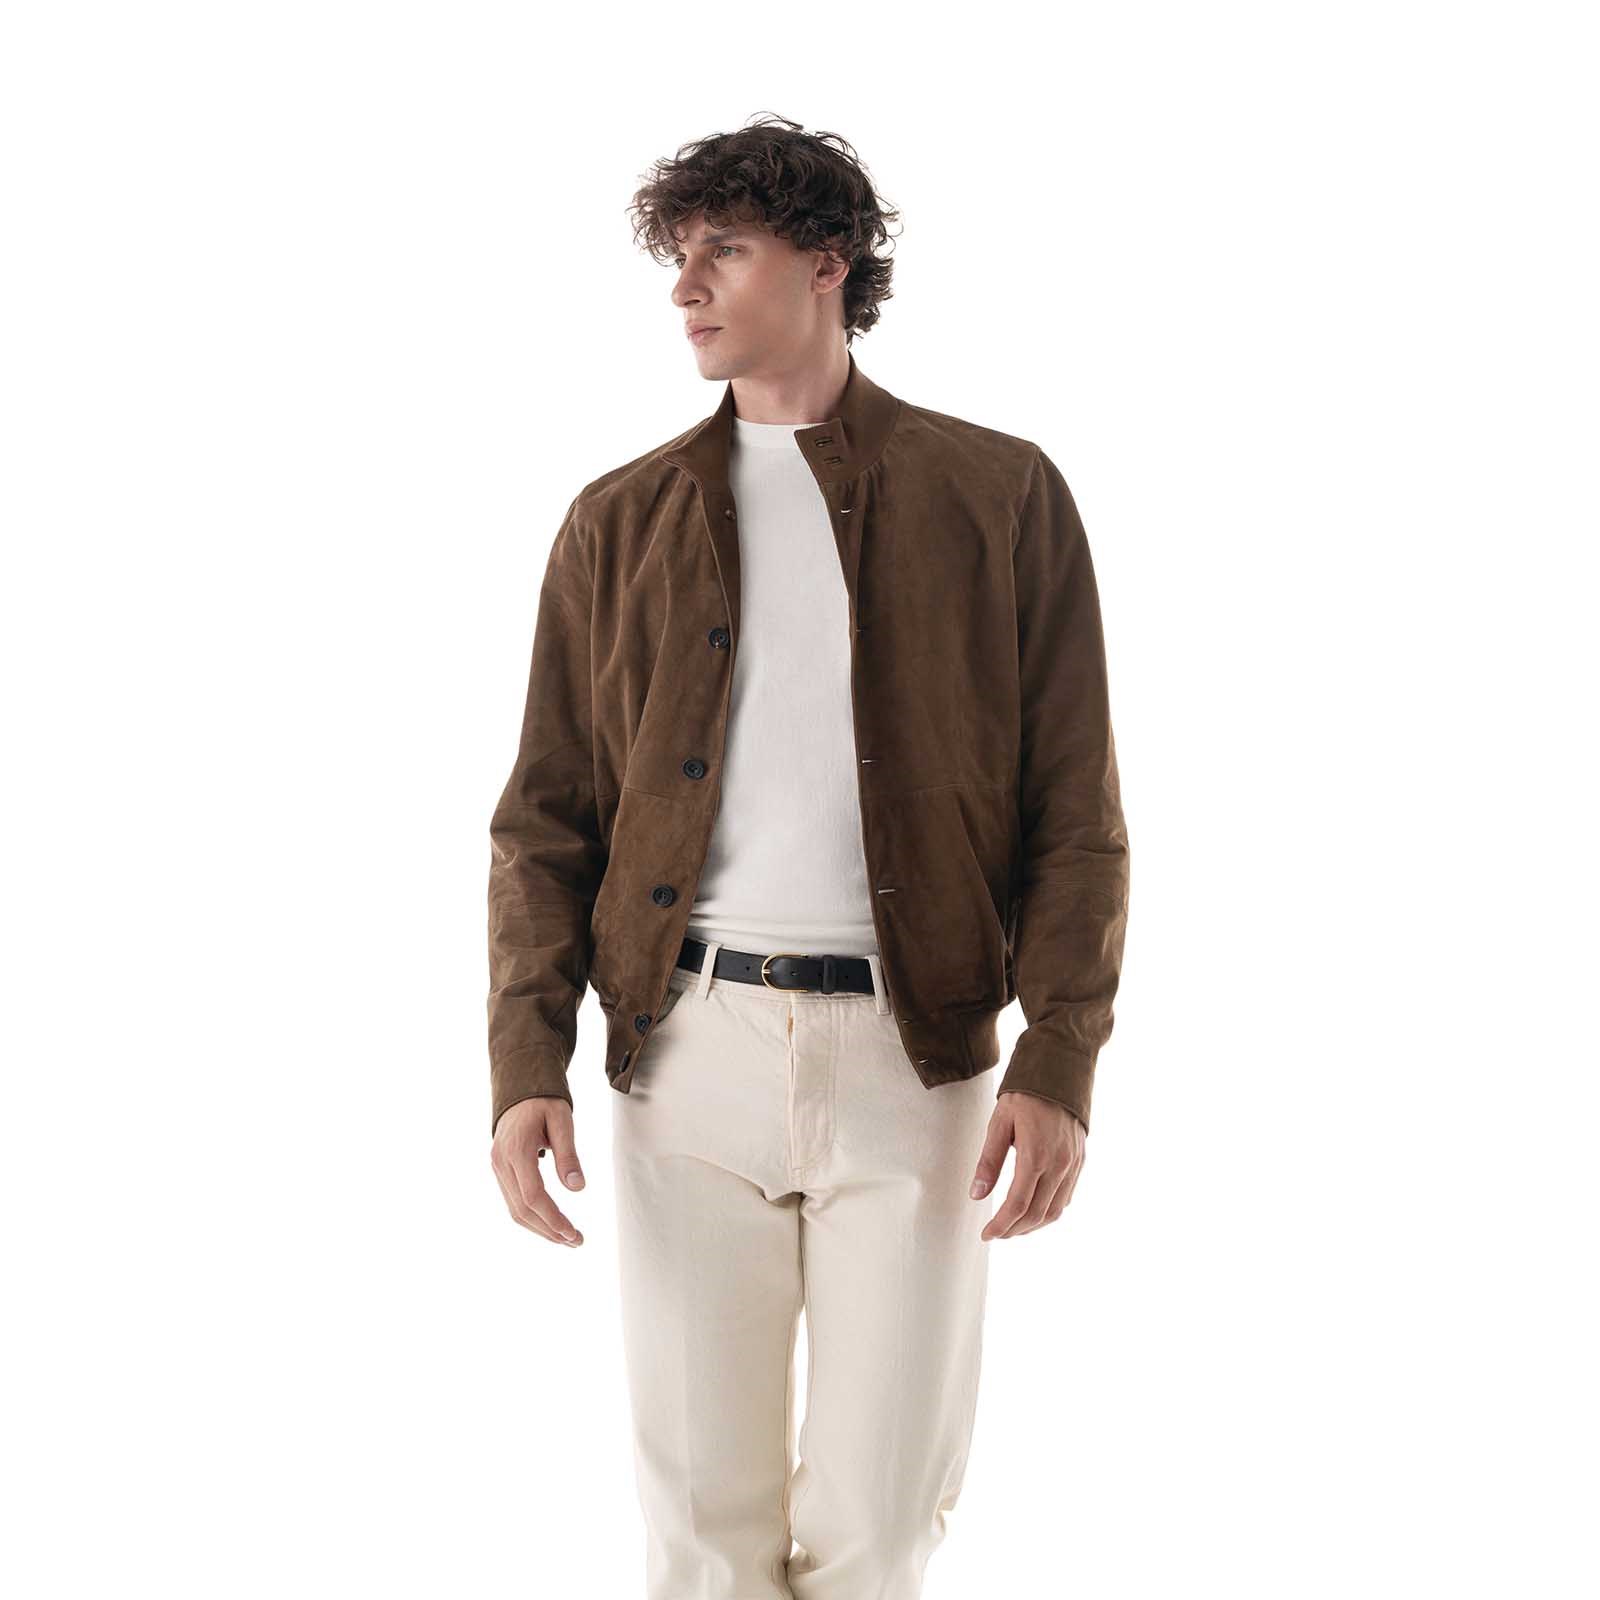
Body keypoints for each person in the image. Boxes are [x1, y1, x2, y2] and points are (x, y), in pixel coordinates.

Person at [486, 113, 1130, 1599]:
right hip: (684, 1050)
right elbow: (546, 819)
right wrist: (525, 1061)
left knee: (879, 1529)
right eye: (677, 255)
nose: (685, 287)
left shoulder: (999, 493)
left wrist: (1060, 1058)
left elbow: (1077, 812)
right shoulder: (619, 519)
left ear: (828, 264)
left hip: (918, 1058)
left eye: (724, 250)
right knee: (699, 1538)